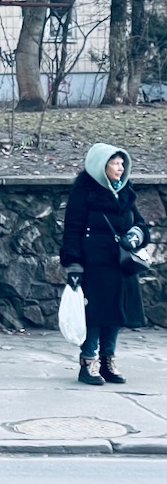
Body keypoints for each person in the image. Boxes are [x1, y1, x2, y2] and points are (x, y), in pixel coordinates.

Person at [61, 142, 148, 385]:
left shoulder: (125, 191)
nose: (120, 169)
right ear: (101, 166)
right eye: (115, 163)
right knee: (95, 315)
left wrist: (135, 235)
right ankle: (88, 362)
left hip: (121, 264)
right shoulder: (84, 192)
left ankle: (108, 360)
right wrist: (74, 265)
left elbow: (141, 225)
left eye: (122, 163)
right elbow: (72, 230)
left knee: (116, 315)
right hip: (94, 265)